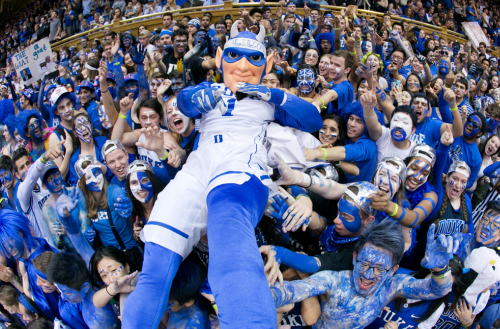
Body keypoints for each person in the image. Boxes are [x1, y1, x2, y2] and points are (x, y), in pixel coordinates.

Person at [122, 25, 323, 329]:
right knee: (157, 263)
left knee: (229, 245)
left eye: (253, 59)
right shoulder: (210, 92)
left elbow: (312, 119)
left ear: (267, 63)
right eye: (233, 56)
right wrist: (200, 93)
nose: (242, 67)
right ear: (219, 58)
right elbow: (186, 101)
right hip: (198, 169)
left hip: (240, 168)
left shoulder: (268, 102)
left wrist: (273, 94)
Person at [270, 219, 458, 328]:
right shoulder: (333, 281)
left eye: (378, 268)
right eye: (364, 263)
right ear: (354, 258)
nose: (368, 274)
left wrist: (440, 269)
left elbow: (436, 290)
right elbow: (293, 291)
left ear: (393, 270)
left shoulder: (391, 286)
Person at [0, 209, 59, 320]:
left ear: (20, 233)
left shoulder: (36, 265)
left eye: (10, 239)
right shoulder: (38, 243)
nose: (9, 248)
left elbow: (49, 309)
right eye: (4, 244)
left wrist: (26, 293)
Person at [46, 253, 120, 328]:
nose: (63, 297)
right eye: (60, 290)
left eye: (67, 293)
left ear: (85, 287)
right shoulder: (88, 277)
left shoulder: (98, 320)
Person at [40, 161, 91, 253]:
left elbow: (88, 231)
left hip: (88, 249)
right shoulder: (46, 208)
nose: (57, 182)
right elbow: (57, 244)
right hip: (72, 257)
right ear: (44, 186)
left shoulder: (75, 193)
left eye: (56, 175)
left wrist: (68, 231)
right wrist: (59, 237)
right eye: (50, 179)